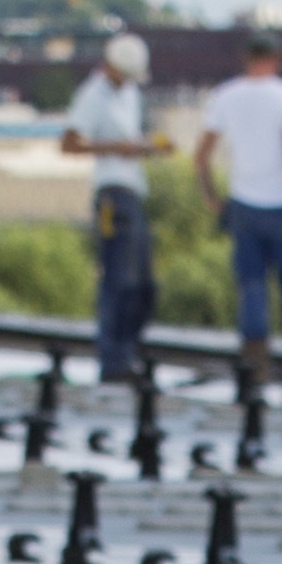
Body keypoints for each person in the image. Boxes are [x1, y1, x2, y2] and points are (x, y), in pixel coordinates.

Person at [193, 36, 282, 392]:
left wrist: (212, 197)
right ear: (276, 59)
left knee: (252, 288)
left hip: (244, 206)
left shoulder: (226, 96)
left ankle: (256, 365)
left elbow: (201, 156)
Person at [61, 30, 160, 382]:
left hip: (133, 189)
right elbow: (70, 144)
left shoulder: (129, 92)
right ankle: (114, 361)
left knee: (142, 284)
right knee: (119, 278)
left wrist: (141, 148)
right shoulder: (93, 95)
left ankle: (127, 353)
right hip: (111, 194)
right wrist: (116, 148)